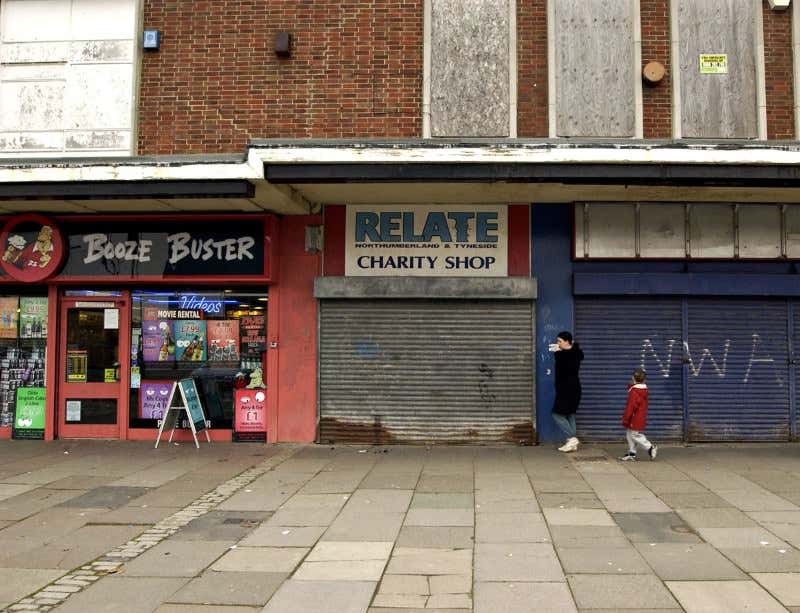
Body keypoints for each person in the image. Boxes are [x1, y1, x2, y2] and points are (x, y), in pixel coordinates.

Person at [551, 331, 584, 452]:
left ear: (567, 341)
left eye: (559, 341)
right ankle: (572, 444)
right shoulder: (576, 353)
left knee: (556, 414)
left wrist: (557, 353)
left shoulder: (562, 356)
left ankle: (572, 438)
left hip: (567, 389)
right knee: (570, 414)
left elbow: (564, 370)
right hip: (574, 388)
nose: (558, 343)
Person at [619, 368, 657, 461]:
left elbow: (631, 407)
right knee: (629, 434)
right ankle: (632, 453)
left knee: (634, 435)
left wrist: (626, 418)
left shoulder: (635, 391)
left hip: (634, 417)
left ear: (633, 378)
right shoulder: (642, 390)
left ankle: (650, 448)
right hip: (638, 416)